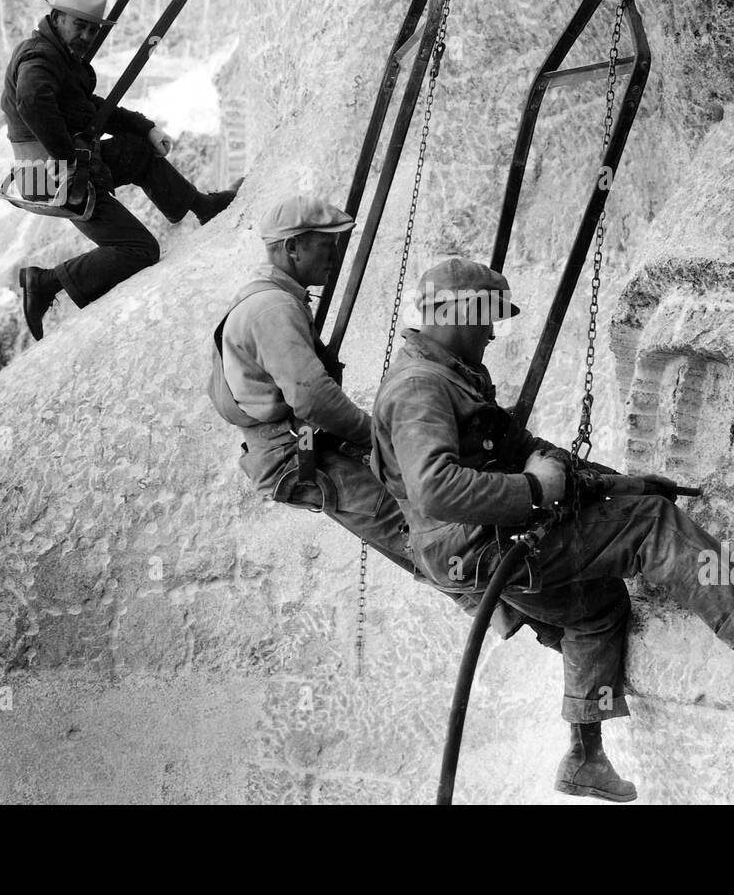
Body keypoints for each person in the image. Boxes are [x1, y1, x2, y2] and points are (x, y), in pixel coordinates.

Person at [371, 257, 734, 803]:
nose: (492, 331)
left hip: (477, 545)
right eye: (486, 319)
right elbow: (437, 488)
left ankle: (584, 756)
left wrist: (621, 486)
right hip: (482, 544)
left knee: (595, 607)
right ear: (457, 312)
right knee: (650, 527)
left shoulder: (449, 375)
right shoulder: (420, 387)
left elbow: (525, 450)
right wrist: (536, 493)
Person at [213, 196, 561, 647]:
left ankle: (511, 608)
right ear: (293, 247)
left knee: (417, 514)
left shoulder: (268, 297)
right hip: (294, 453)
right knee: (413, 522)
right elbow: (313, 397)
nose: (335, 257)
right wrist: (378, 437)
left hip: (299, 443)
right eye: (326, 246)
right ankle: (516, 612)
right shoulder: (271, 309)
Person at [1, 0, 236, 340]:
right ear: (57, 16)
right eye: (79, 25)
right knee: (140, 249)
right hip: (50, 177)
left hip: (63, 168)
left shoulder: (60, 57)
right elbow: (32, 101)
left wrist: (145, 129)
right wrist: (67, 159)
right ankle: (45, 282)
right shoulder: (40, 58)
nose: (86, 36)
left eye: (92, 30)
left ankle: (201, 206)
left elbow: (88, 109)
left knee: (136, 150)